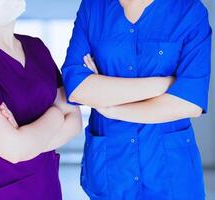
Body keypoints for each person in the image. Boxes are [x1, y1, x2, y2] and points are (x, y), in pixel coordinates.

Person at [62, 0, 212, 199]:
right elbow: (77, 87)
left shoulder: (189, 10)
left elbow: (189, 102)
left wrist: (111, 108)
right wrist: (165, 84)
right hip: (112, 169)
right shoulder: (93, 7)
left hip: (169, 171)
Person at [0, 0, 83, 199]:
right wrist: (56, 114)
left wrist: (26, 143)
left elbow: (75, 122)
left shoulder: (36, 48)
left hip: (47, 189)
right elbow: (14, 150)